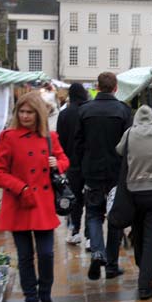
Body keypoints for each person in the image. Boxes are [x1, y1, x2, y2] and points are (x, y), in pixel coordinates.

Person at [0, 92, 69, 302]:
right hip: (19, 204)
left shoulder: (49, 138)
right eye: (21, 112)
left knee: (46, 254)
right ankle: (31, 301)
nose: (24, 116)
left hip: (42, 205)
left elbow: (65, 160)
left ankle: (45, 294)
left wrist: (59, 163)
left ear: (39, 114)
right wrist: (20, 187)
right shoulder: (8, 137)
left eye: (29, 112)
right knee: (25, 257)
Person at [75, 71, 133, 281]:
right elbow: (129, 144)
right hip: (116, 173)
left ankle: (98, 251)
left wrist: (82, 165)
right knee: (115, 217)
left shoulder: (85, 110)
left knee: (93, 214)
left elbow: (78, 143)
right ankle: (111, 264)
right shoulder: (124, 110)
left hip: (92, 171)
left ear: (97, 87)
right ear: (115, 87)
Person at [117, 105, 152, 300]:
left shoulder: (130, 132)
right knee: (151, 238)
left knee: (139, 234)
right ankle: (145, 283)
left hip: (134, 191)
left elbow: (119, 150)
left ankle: (144, 270)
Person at [56, 83, 89, 245]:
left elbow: (59, 141)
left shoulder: (65, 114)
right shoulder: (89, 111)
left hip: (71, 163)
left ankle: (74, 230)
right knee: (91, 198)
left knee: (74, 198)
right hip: (89, 162)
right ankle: (90, 235)